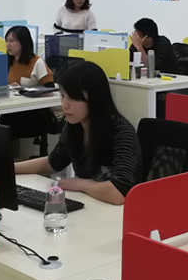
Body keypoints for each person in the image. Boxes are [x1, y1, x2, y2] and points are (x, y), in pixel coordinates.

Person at [14, 61, 140, 205]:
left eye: (73, 98)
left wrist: (81, 184)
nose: (64, 104)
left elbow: (119, 193)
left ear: (94, 99)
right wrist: (10, 168)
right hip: (92, 204)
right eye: (62, 96)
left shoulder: (121, 132)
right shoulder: (74, 126)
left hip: (120, 212)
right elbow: (53, 162)